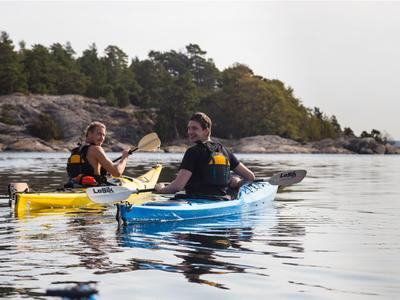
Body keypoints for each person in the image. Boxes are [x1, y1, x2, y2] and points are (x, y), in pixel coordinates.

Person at [155, 112, 255, 197]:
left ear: (206, 131)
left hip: (196, 202)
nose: (190, 132)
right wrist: (237, 183)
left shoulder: (193, 152)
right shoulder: (225, 151)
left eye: (194, 128)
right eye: (189, 128)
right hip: (221, 200)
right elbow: (250, 177)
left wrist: (161, 189)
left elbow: (177, 187)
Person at [66, 121, 130, 186]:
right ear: (89, 133)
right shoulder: (96, 149)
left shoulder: (76, 150)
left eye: (103, 135)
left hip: (73, 186)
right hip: (92, 190)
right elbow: (117, 173)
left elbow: (86, 168)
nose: (102, 138)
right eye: (99, 134)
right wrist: (124, 158)